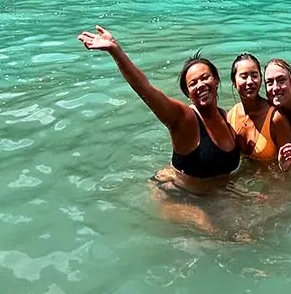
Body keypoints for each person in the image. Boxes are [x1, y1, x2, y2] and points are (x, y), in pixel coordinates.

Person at [77, 26, 240, 195]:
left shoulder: (225, 117)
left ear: (216, 80)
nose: (200, 85)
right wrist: (116, 51)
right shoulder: (184, 119)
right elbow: (146, 89)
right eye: (193, 83)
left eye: (205, 77)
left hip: (210, 196)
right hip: (177, 196)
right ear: (188, 94)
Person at [226, 53, 291, 170]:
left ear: (260, 78)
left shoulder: (275, 119)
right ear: (233, 82)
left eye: (254, 75)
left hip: (273, 180)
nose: (250, 81)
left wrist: (285, 167)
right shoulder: (231, 115)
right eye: (243, 76)